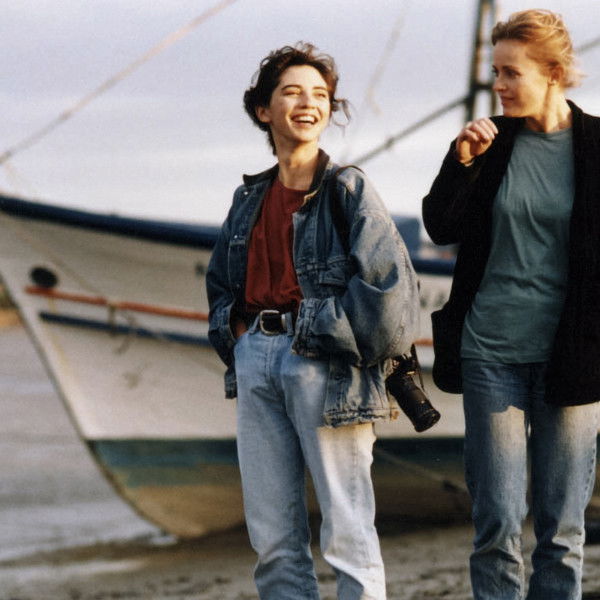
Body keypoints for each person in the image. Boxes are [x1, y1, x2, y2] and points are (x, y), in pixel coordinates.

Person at [206, 42, 419, 599]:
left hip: (326, 366)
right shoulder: (248, 197)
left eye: (320, 95)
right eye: (293, 92)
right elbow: (221, 285)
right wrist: (239, 338)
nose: (309, 104)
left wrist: (318, 327)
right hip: (256, 363)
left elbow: (391, 295)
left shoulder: (348, 189)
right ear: (263, 110)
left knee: (347, 530)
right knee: (273, 539)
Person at [422, 9, 600, 600]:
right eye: (495, 71)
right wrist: (461, 163)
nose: (498, 85)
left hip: (571, 360)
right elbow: (441, 225)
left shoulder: (597, 146)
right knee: (496, 525)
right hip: (490, 351)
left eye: (510, 72)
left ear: (553, 73)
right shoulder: (489, 144)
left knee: (561, 531)